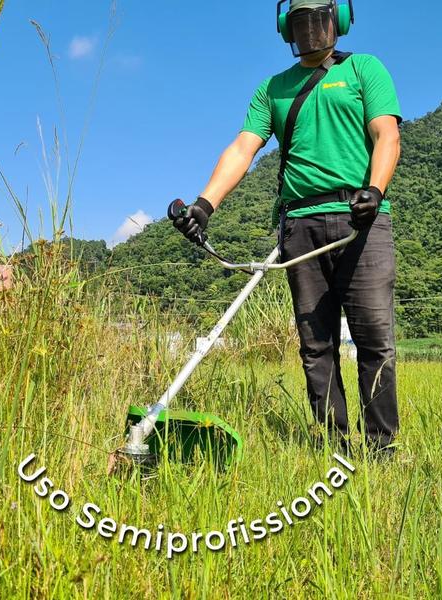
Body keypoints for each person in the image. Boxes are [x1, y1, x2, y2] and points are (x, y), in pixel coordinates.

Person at [172, 0, 402, 457]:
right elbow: (243, 148)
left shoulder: (364, 70)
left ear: (340, 22)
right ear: (286, 28)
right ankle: (333, 444)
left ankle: (381, 449)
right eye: (302, 21)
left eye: (320, 18)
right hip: (300, 225)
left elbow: (386, 134)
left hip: (362, 220)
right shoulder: (273, 89)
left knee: (375, 339)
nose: (312, 29)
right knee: (316, 345)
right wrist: (204, 204)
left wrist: (374, 191)